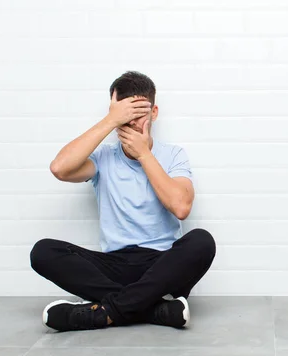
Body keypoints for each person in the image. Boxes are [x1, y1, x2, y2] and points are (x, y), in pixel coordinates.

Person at [29, 71, 216, 332]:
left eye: (137, 115)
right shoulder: (103, 157)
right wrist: (109, 121)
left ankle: (104, 312)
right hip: (113, 266)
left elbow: (181, 207)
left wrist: (143, 154)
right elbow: (60, 168)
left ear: (154, 113)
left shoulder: (173, 154)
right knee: (43, 251)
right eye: (123, 116)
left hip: (162, 267)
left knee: (202, 241)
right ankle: (155, 310)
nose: (129, 124)